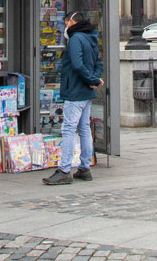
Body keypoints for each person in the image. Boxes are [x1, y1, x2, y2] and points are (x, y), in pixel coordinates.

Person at [43, 10, 103, 186]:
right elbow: (98, 63)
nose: (65, 27)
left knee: (68, 129)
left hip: (76, 92)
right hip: (86, 92)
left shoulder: (76, 39)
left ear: (71, 22)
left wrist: (92, 80)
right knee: (84, 128)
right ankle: (84, 168)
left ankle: (64, 170)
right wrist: (94, 80)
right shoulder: (91, 37)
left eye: (66, 23)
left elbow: (77, 64)